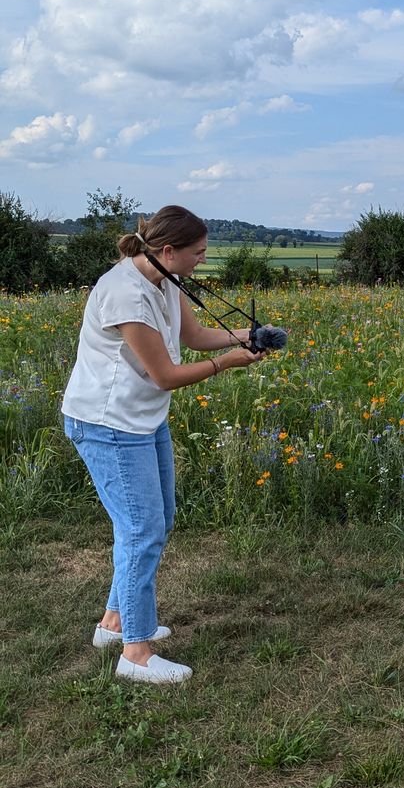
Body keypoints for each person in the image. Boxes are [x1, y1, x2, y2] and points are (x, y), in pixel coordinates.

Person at [62, 206, 265, 685]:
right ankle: (135, 653)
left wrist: (249, 335)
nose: (203, 261)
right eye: (198, 253)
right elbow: (167, 375)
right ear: (168, 250)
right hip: (107, 423)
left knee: (157, 520)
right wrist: (229, 363)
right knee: (141, 530)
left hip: (142, 418)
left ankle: (113, 624)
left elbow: (191, 337)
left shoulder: (163, 278)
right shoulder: (124, 295)